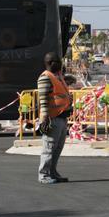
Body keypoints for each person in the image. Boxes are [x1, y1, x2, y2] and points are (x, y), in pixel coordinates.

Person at [36, 52, 73, 184]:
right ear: (50, 63)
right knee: (49, 148)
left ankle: (52, 172)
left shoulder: (57, 77)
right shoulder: (45, 78)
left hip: (62, 117)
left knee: (57, 148)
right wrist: (44, 119)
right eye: (58, 61)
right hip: (53, 119)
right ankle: (44, 175)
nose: (61, 63)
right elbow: (44, 100)